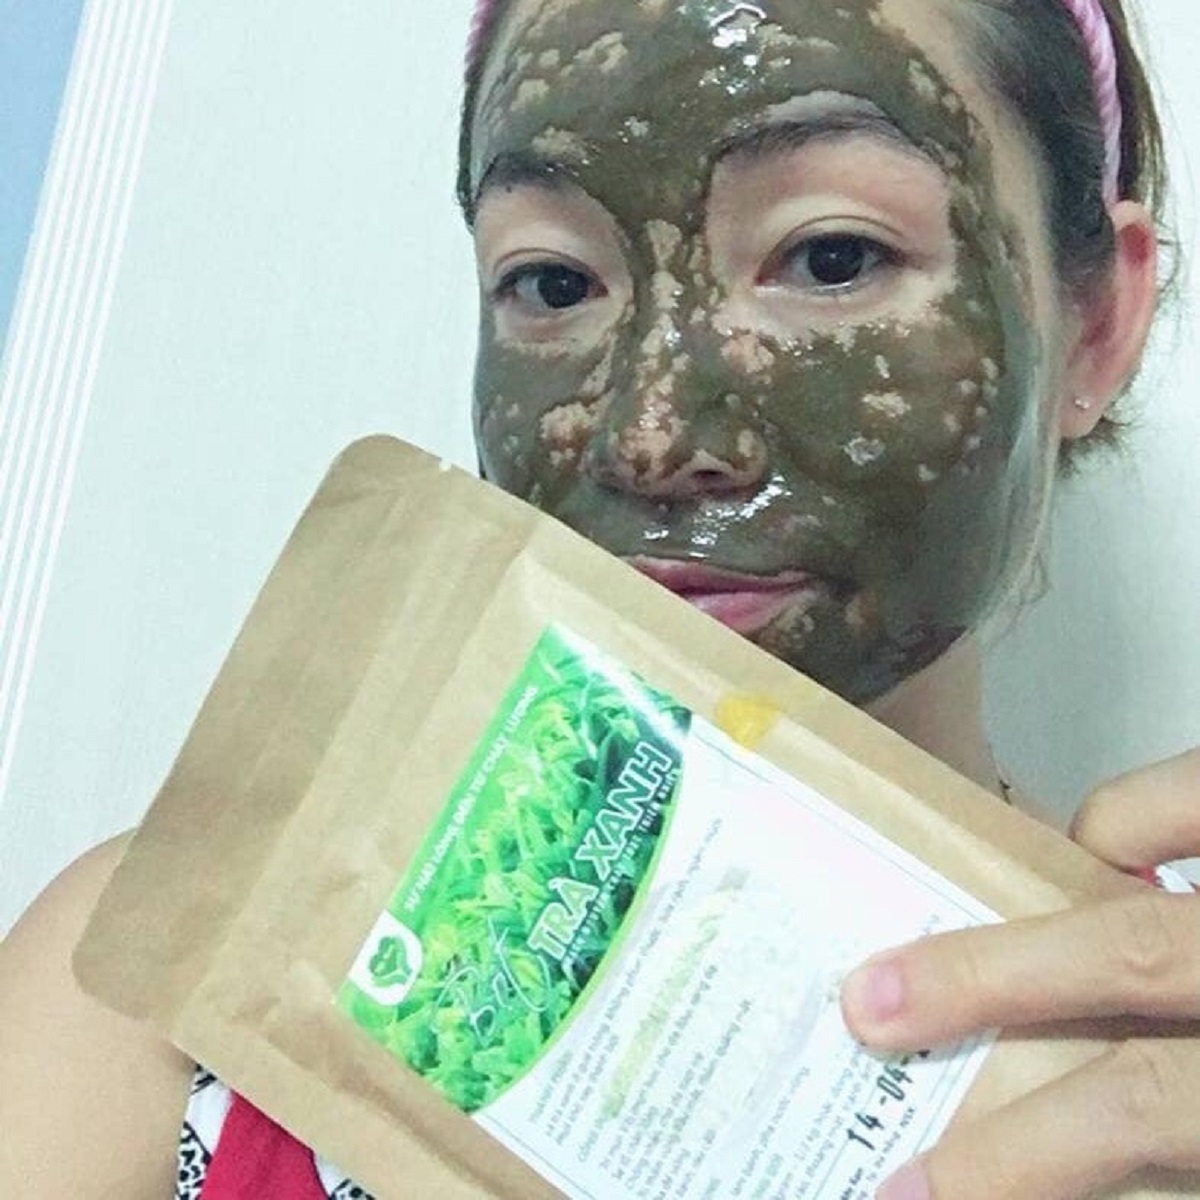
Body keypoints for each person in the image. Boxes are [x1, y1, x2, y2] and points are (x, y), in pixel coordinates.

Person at [1, 1, 1197, 1197]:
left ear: (1096, 325)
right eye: (554, 279)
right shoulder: (165, 994)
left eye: (832, 258)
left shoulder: (1172, 1059)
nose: (651, 435)